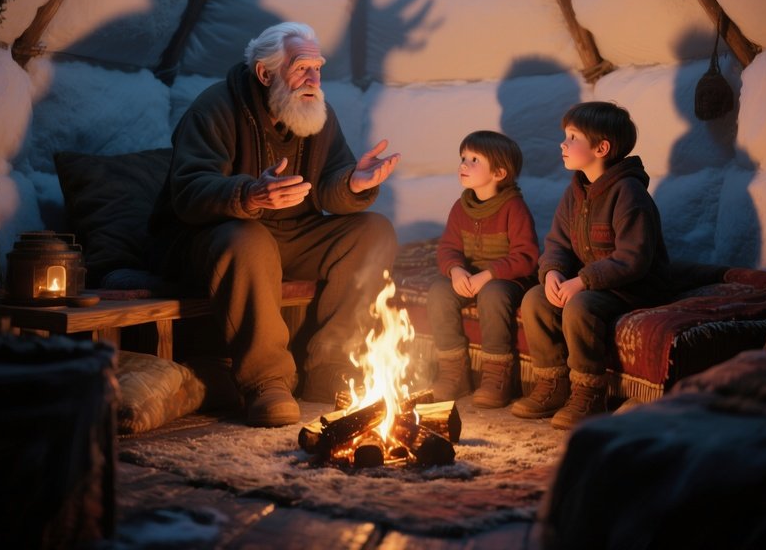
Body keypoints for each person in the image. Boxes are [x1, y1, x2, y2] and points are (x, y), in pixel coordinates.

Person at [149, 22, 399, 427]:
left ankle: (329, 367)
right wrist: (249, 195)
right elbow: (189, 193)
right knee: (248, 238)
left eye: (318, 68)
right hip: (211, 240)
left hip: (287, 237)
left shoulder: (318, 112)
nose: (314, 79)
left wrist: (353, 182)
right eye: (302, 68)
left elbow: (329, 186)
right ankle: (267, 382)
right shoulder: (215, 108)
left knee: (373, 232)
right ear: (266, 74)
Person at [511, 101, 671, 430]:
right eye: (565, 136)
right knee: (535, 298)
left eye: (572, 137)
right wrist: (553, 272)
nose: (563, 144)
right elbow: (557, 243)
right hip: (589, 281)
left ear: (601, 147)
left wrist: (581, 281)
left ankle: (589, 393)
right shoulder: (575, 192)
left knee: (580, 307)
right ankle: (552, 384)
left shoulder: (629, 194)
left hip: (632, 286)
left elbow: (632, 260)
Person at [427, 130, 539, 408]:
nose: (463, 164)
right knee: (439, 291)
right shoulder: (461, 207)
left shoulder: (514, 208)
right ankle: (454, 373)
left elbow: (527, 256)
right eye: (463, 157)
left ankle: (496, 376)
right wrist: (455, 270)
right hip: (469, 277)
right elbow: (447, 248)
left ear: (499, 172)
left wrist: (489, 275)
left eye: (474, 159)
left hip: (506, 281)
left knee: (493, 295)